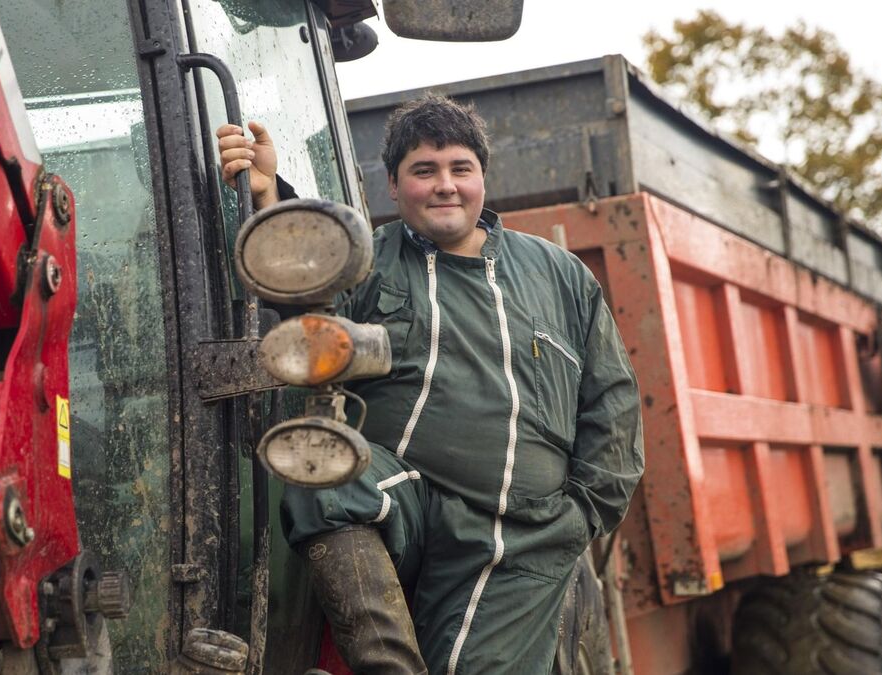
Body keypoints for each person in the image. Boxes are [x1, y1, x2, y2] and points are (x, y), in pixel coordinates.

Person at [217, 95, 644, 675]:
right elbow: (305, 290)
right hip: (408, 497)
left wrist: (581, 516)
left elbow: (612, 404)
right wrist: (268, 195)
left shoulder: (559, 276)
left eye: (459, 169)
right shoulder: (371, 262)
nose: (445, 185)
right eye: (424, 170)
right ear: (393, 186)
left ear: (482, 181)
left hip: (519, 531)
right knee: (320, 468)